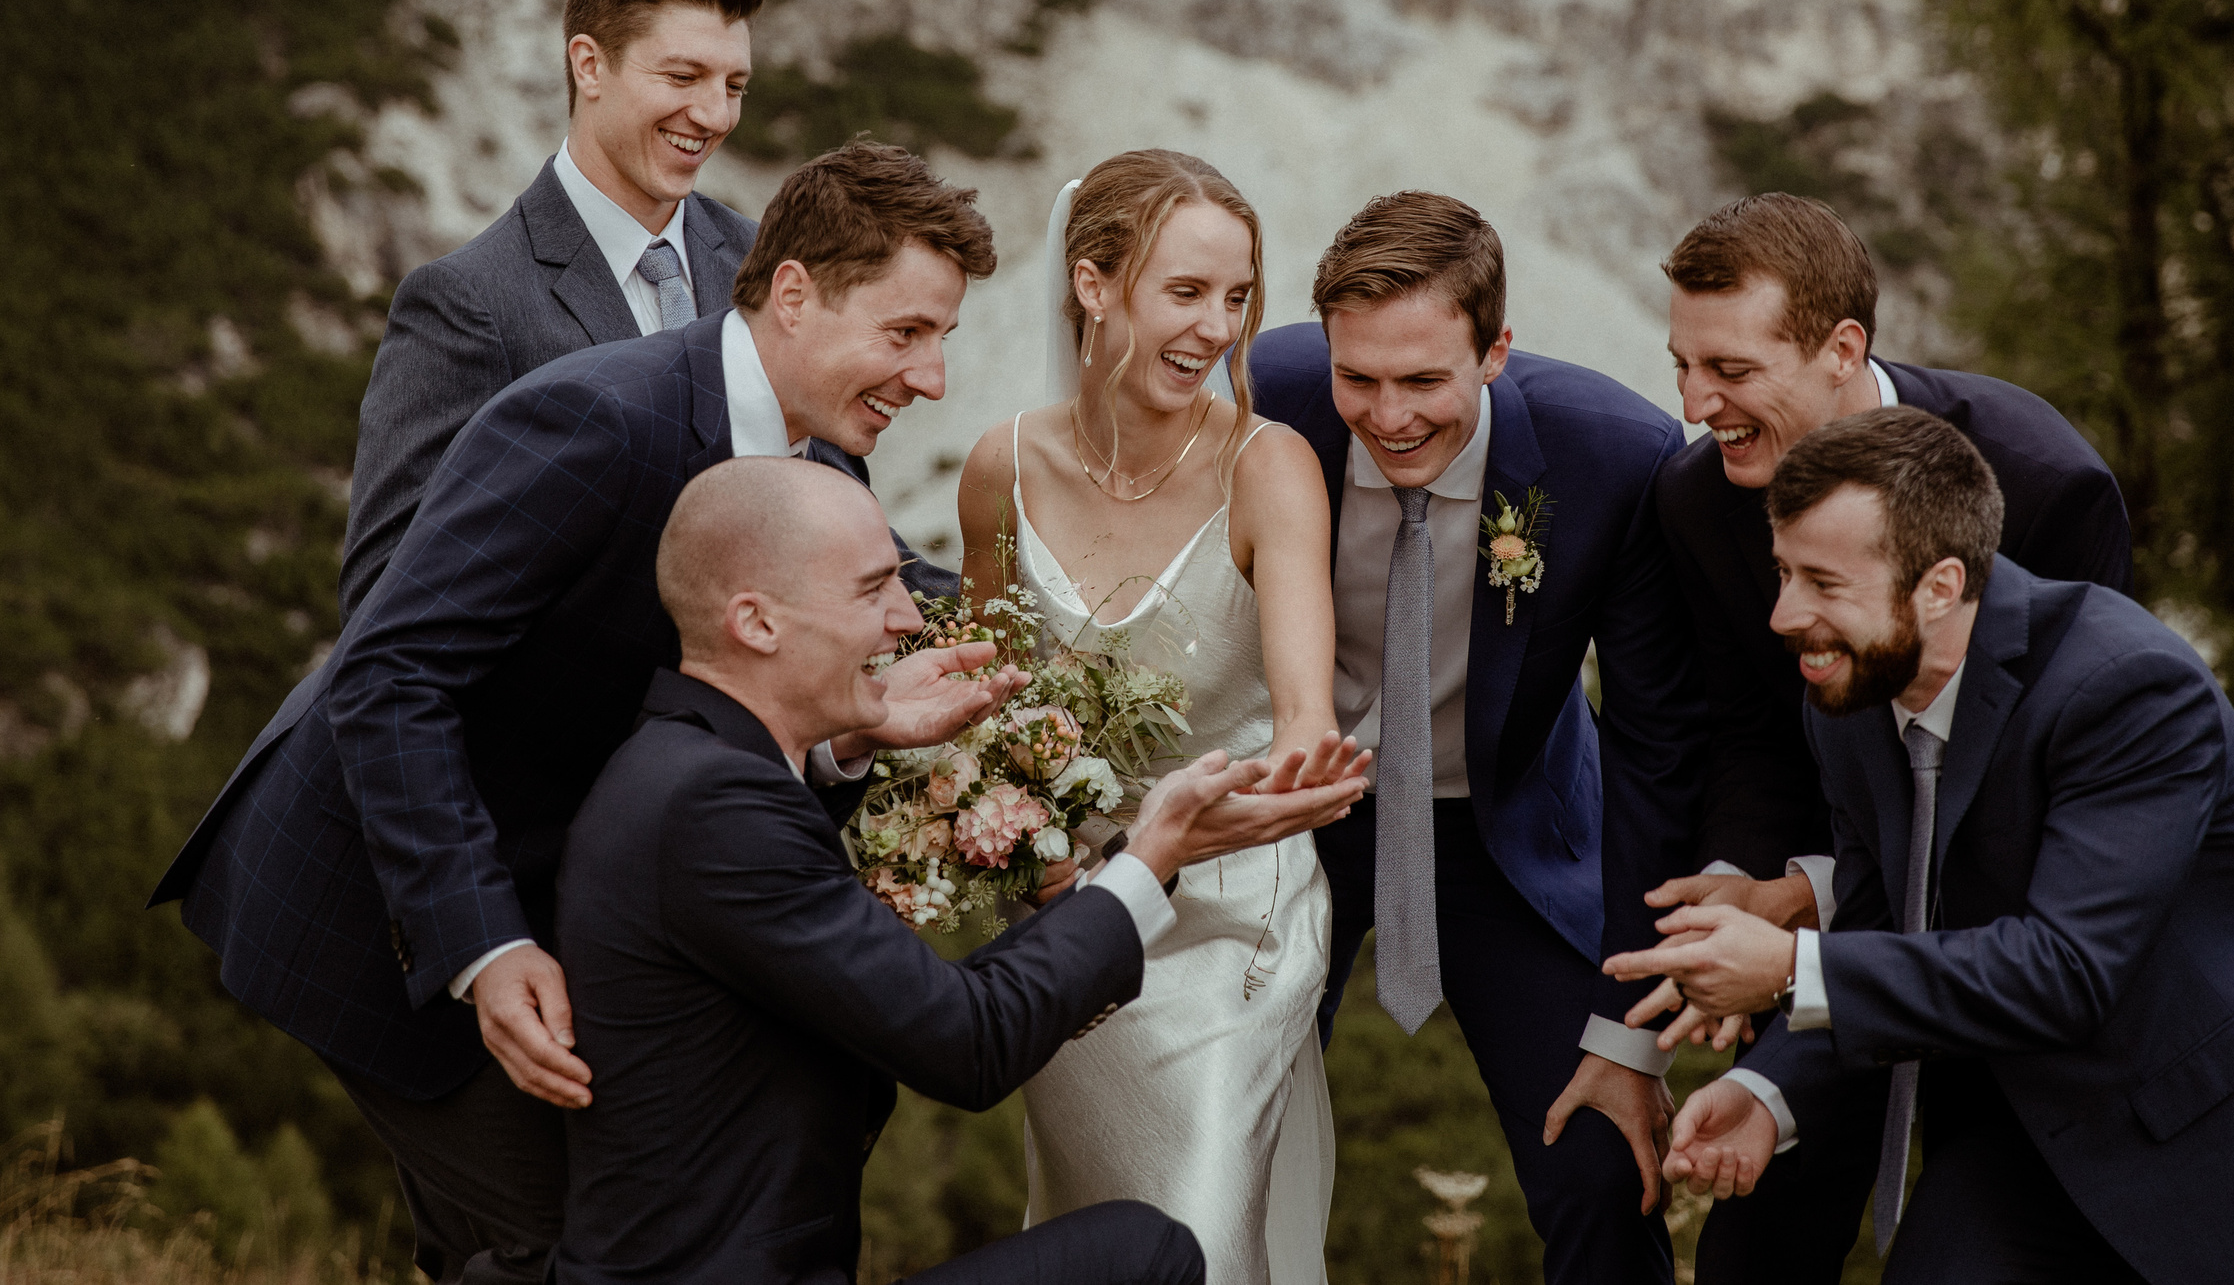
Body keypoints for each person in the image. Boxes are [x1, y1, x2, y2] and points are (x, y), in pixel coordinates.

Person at [150, 143, 1009, 1285]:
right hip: (386, 895)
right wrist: (483, 944)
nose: (933, 377)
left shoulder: (825, 468)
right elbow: (389, 672)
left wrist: (857, 732)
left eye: (942, 338)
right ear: (796, 293)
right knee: (582, 1242)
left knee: (537, 1245)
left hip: (567, 903)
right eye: (906, 333)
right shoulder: (594, 420)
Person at [1609, 408, 2234, 1285]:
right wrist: (1770, 1091)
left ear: (1940, 586)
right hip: (2020, 1135)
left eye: (1823, 582)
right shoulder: (1843, 700)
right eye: (1782, 572)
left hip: (2224, 1129)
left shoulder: (2129, 686)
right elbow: (1884, 924)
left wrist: (1786, 968)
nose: (1783, 614)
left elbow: (2066, 968)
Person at [556, 457, 1367, 1285]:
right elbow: (967, 1042)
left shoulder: (690, 765)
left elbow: (942, 1005)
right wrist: (1155, 849)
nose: (908, 616)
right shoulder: (716, 808)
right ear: (757, 622)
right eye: (872, 589)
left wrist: (862, 727)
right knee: (1147, 1254)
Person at [1644, 193, 2134, 1282]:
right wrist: (1738, 879)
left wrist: (1807, 906)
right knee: (1750, 1247)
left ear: (1841, 349)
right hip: (1841, 929)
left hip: (2021, 951)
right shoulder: (1696, 499)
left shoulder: (2043, 482)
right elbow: (1752, 731)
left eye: (1729, 369)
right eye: (1681, 365)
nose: (1694, 404)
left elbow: (2065, 781)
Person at [1248, 193, 1705, 1285]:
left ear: (1496, 351)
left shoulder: (1614, 456)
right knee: (1228, 1135)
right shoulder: (1260, 396)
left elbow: (1657, 745)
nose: (1389, 415)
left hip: (1509, 832)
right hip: (1292, 818)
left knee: (1601, 1165)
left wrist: (1629, 1033)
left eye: (1423, 381)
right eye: (1359, 378)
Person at [957, 152, 1365, 1284]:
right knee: (1095, 1236)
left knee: (1197, 1235)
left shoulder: (1268, 466)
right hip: (1078, 923)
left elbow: (1303, 721)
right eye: (1186, 292)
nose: (1217, 329)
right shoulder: (1001, 469)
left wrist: (1276, 791)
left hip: (1236, 919)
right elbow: (990, 716)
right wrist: (1048, 856)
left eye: (1237, 297)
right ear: (1093, 284)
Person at [343, 0, 769, 617]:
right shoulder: (465, 302)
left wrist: (961, 620)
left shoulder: (769, 265)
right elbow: (385, 597)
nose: (715, 115)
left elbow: (835, 512)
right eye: (683, 77)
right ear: (589, 66)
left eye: (735, 85)